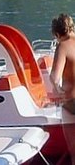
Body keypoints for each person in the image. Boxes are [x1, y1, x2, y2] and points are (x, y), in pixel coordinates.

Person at [50, 13, 75, 164]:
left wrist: (58, 91)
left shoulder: (63, 46)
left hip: (71, 102)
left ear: (58, 34)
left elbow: (54, 77)